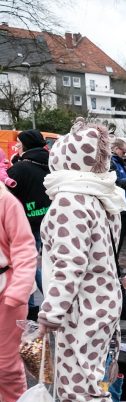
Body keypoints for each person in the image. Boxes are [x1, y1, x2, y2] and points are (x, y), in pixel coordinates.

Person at [39, 119, 126, 402]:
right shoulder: (99, 195)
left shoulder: (70, 201)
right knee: (84, 377)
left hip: (80, 308)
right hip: (99, 303)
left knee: (77, 384)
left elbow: (69, 264)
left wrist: (50, 312)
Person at [0, 168, 37, 402]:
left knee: (6, 363)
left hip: (6, 291)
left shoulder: (5, 201)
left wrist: (19, 289)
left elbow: (24, 246)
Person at [6, 129, 50, 321]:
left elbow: (8, 197)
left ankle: (35, 304)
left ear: (25, 145)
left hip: (25, 224)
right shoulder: (51, 163)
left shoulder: (19, 169)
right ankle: (44, 301)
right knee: (40, 264)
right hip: (47, 219)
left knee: (27, 265)